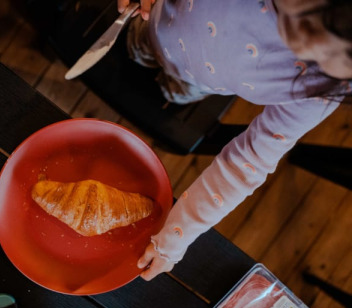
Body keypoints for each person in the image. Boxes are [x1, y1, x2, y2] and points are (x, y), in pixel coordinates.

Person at [116, 0, 352, 281]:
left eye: (321, 58)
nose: (292, 42)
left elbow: (245, 163)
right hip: (154, 18)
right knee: (133, 47)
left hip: (197, 79)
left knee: (174, 91)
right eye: (300, 20)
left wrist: (174, 240)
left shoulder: (322, 90)